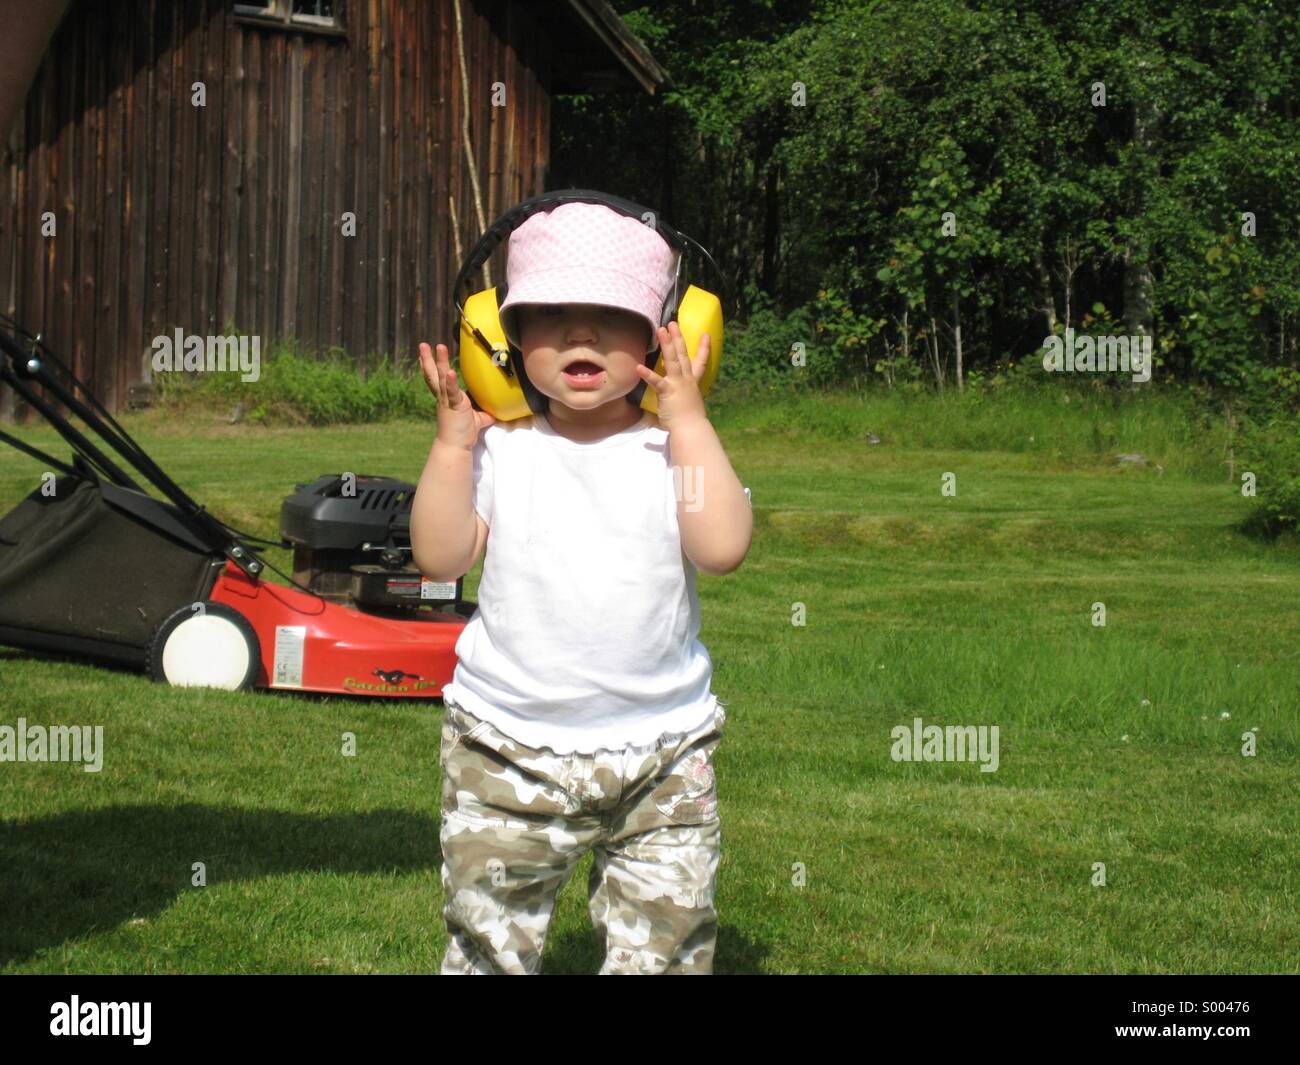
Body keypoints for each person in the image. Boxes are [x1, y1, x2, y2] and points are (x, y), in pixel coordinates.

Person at [410, 199, 752, 974]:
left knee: (665, 948)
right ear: (504, 338)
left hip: (663, 753)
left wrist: (690, 420)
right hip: (506, 750)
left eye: (612, 315)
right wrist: (452, 447)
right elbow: (439, 557)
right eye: (551, 313)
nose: (581, 334)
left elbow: (723, 545)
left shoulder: (673, 450)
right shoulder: (506, 452)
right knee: (488, 941)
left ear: (669, 334)